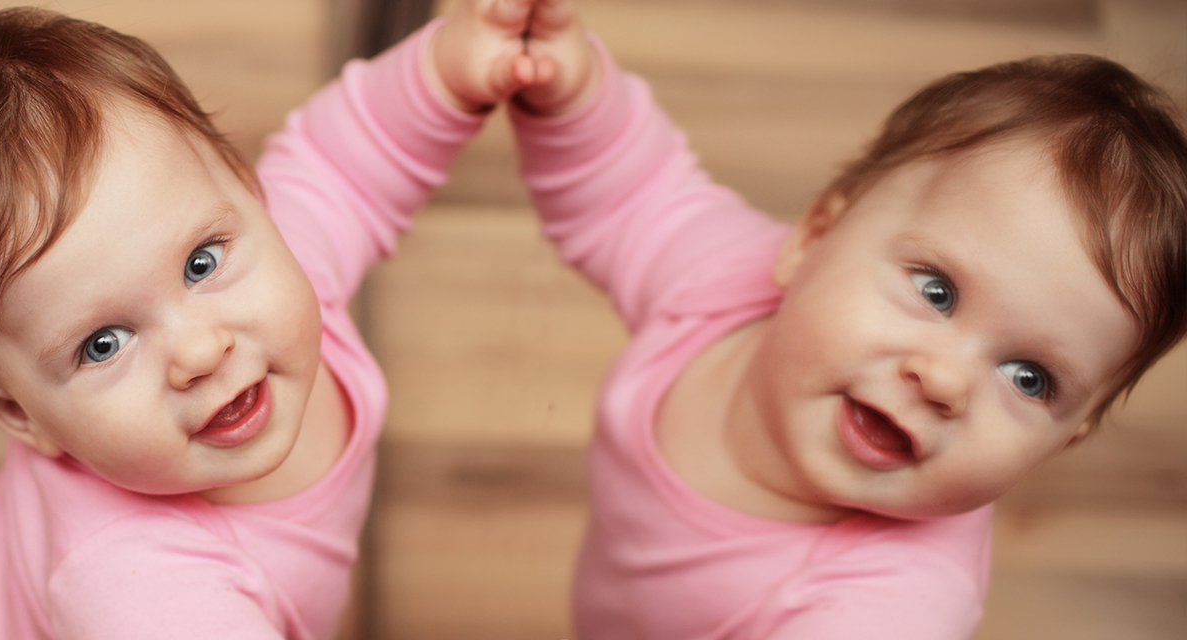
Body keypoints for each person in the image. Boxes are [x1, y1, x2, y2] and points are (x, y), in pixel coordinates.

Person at [482, 1, 1187, 638]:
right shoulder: (722, 280)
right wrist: (569, 97)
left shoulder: (892, 602)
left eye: (1029, 378)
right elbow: (630, 193)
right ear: (813, 238)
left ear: (1069, 436)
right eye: (937, 292)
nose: (945, 380)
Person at [0, 4, 544, 638]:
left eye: (199, 266)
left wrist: (447, 73)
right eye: (104, 344)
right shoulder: (139, 587)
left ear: (252, 194)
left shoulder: (278, 253)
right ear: (19, 413)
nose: (200, 351)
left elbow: (347, 161)